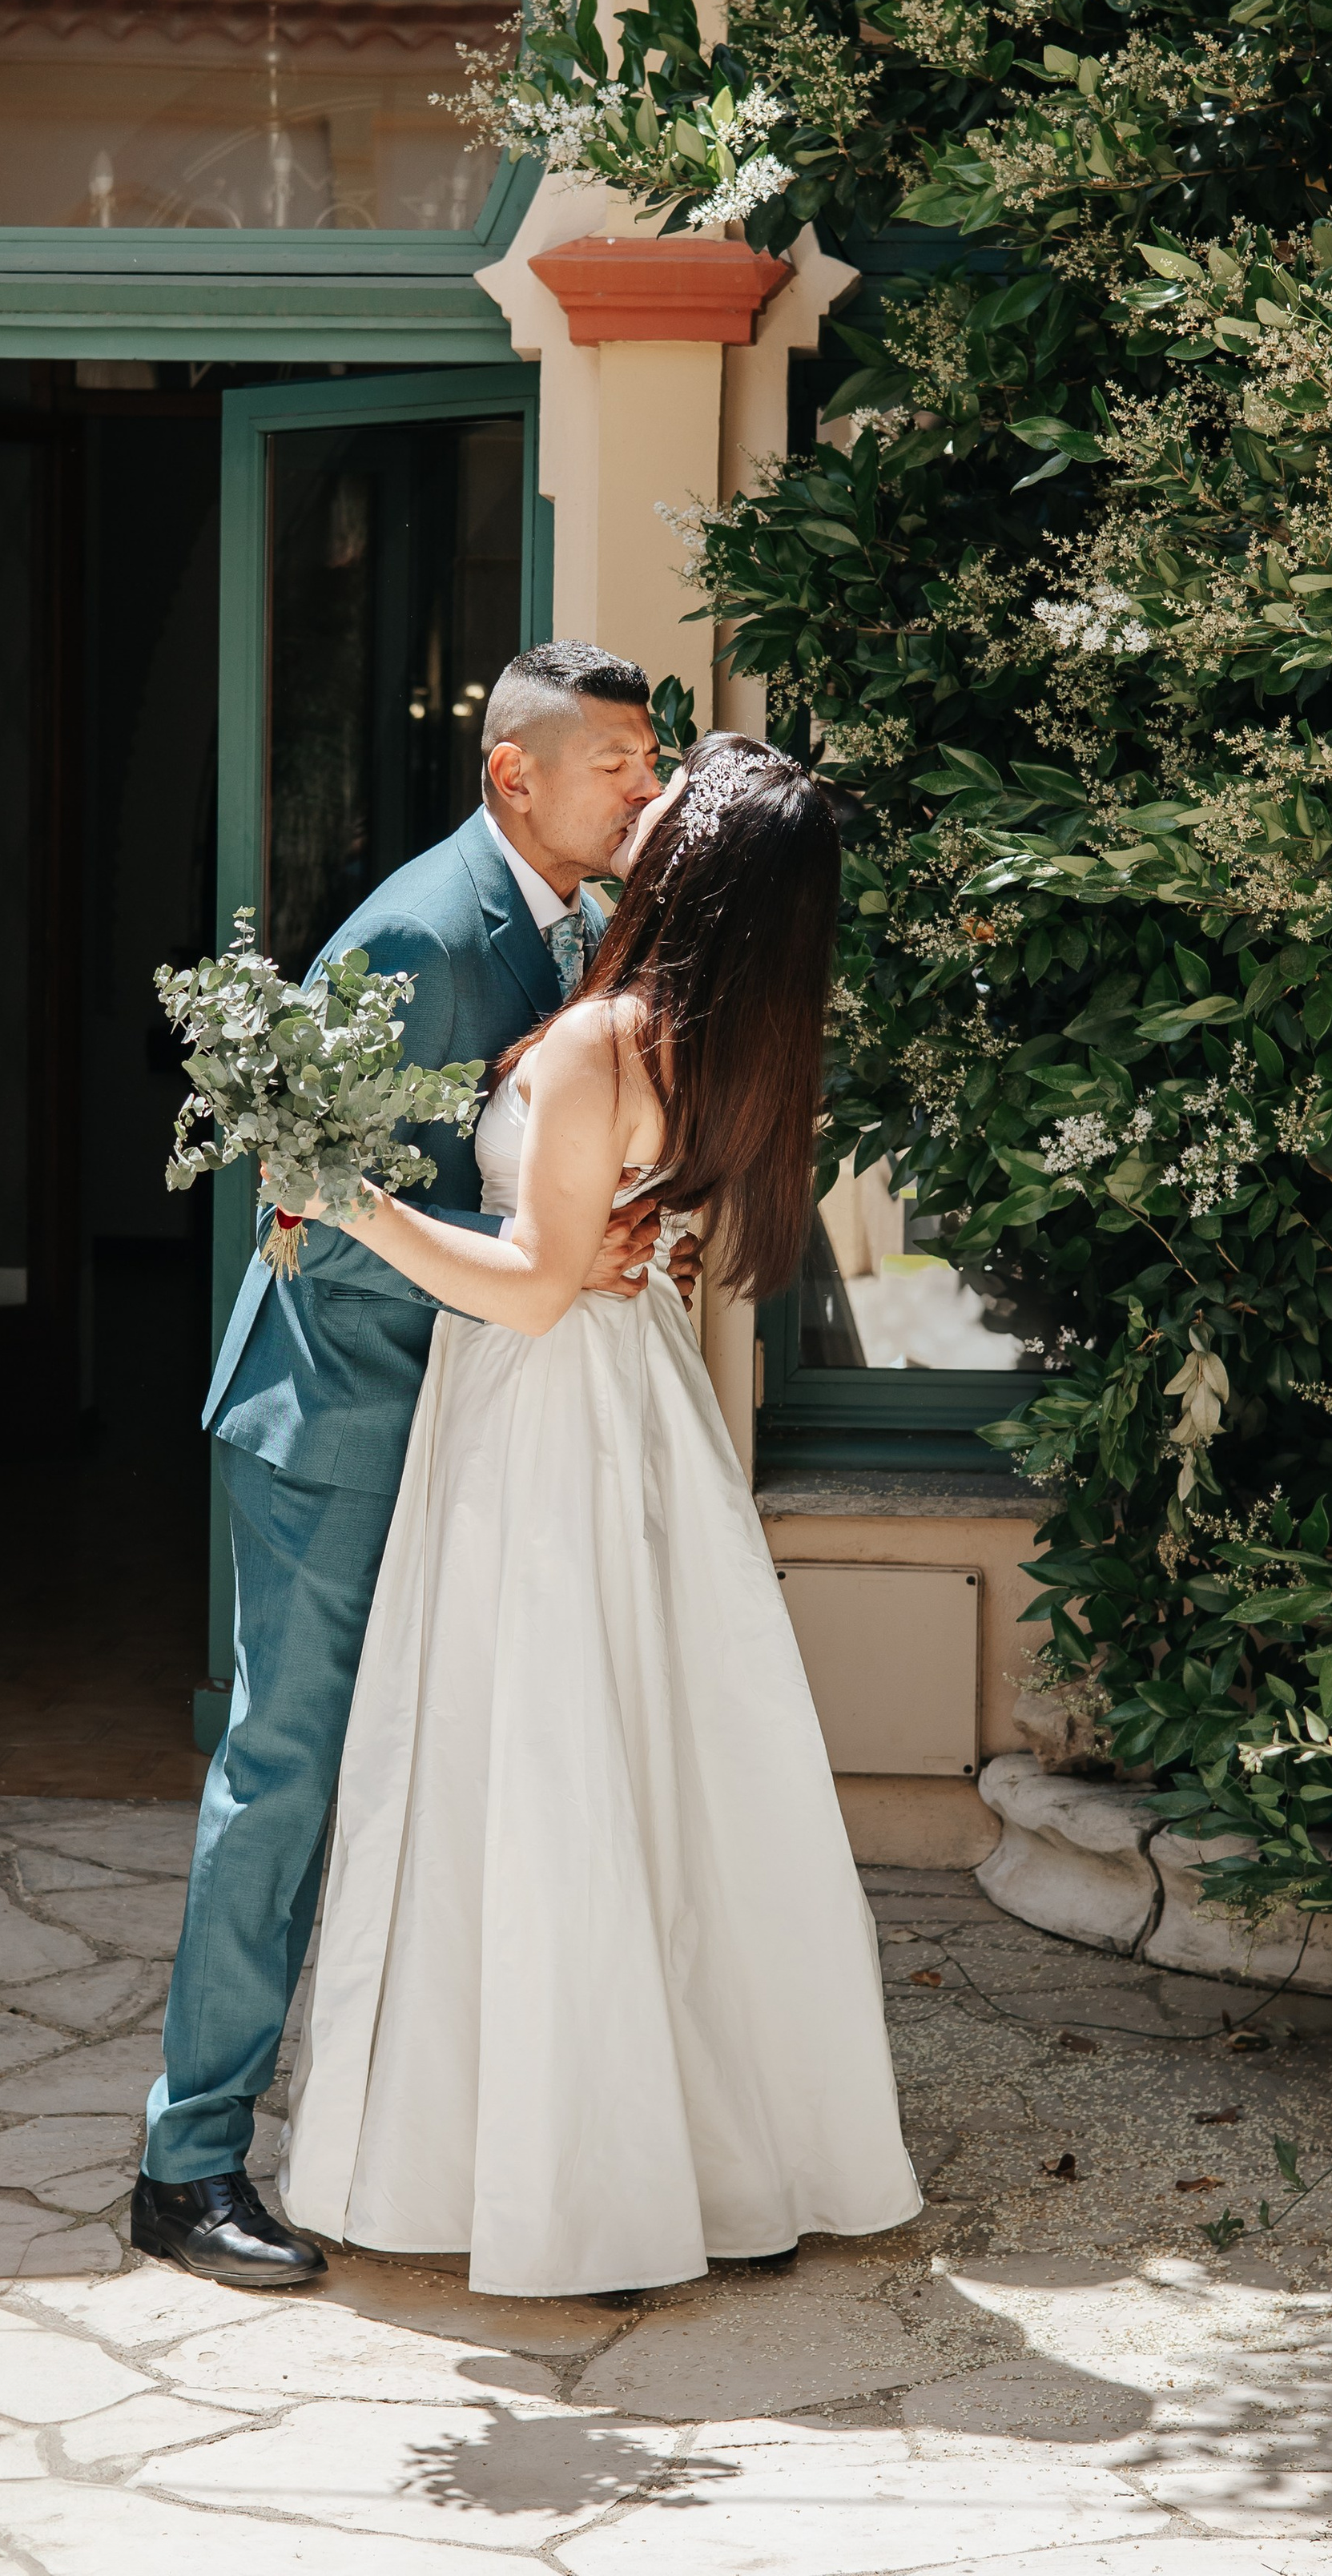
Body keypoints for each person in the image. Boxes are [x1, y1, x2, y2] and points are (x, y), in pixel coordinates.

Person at [278, 732, 920, 2298]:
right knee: (651, 1777)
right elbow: (613, 1252)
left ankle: (583, 2190)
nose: (641, 803)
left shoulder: (602, 1040)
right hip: (633, 1418)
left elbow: (530, 1283)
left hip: (543, 1421)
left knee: (542, 1775)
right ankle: (703, 2161)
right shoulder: (729, 1047)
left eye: (669, 793)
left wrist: (345, 1188)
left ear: (702, 853)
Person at [134, 640, 693, 2288]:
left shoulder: (582, 925)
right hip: (338, 1419)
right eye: (617, 764)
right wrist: (539, 1251)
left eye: (651, 763)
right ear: (513, 771)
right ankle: (188, 2166)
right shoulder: (414, 929)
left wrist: (605, 1224)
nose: (643, 790)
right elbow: (308, 1213)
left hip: (477, 1427)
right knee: (285, 1778)